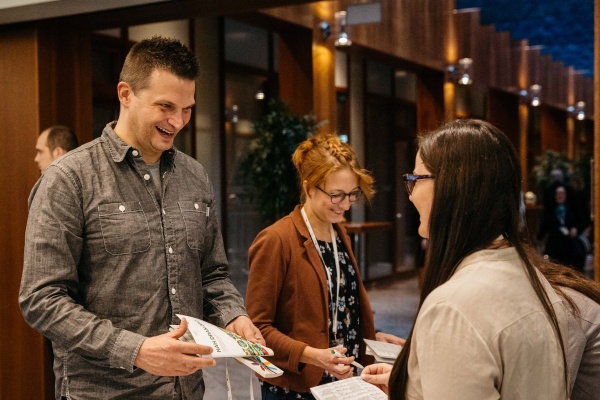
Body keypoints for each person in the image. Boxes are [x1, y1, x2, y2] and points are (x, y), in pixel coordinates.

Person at [20, 36, 263, 399]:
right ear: (125, 94)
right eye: (165, 106)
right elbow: (42, 299)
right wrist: (134, 350)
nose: (178, 121)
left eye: (187, 108)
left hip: (187, 389)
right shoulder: (68, 179)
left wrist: (233, 315)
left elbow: (212, 274)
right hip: (105, 391)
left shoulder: (195, 176)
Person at [361, 119, 569, 399]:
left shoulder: (454, 307)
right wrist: (413, 386)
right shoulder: (529, 275)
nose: (410, 196)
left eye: (414, 180)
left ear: (451, 188)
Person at [245, 133, 404, 400]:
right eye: (336, 195)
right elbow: (257, 331)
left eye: (353, 194)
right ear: (308, 188)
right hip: (297, 387)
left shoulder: (338, 233)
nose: (345, 204)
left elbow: (336, 309)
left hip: (345, 381)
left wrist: (371, 336)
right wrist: (312, 355)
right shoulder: (276, 239)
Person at [538, 184, 587, 272]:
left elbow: (581, 221)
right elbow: (543, 228)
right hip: (554, 246)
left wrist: (576, 229)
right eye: (557, 193)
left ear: (566, 195)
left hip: (569, 245)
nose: (559, 196)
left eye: (562, 193)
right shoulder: (550, 210)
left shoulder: (572, 209)